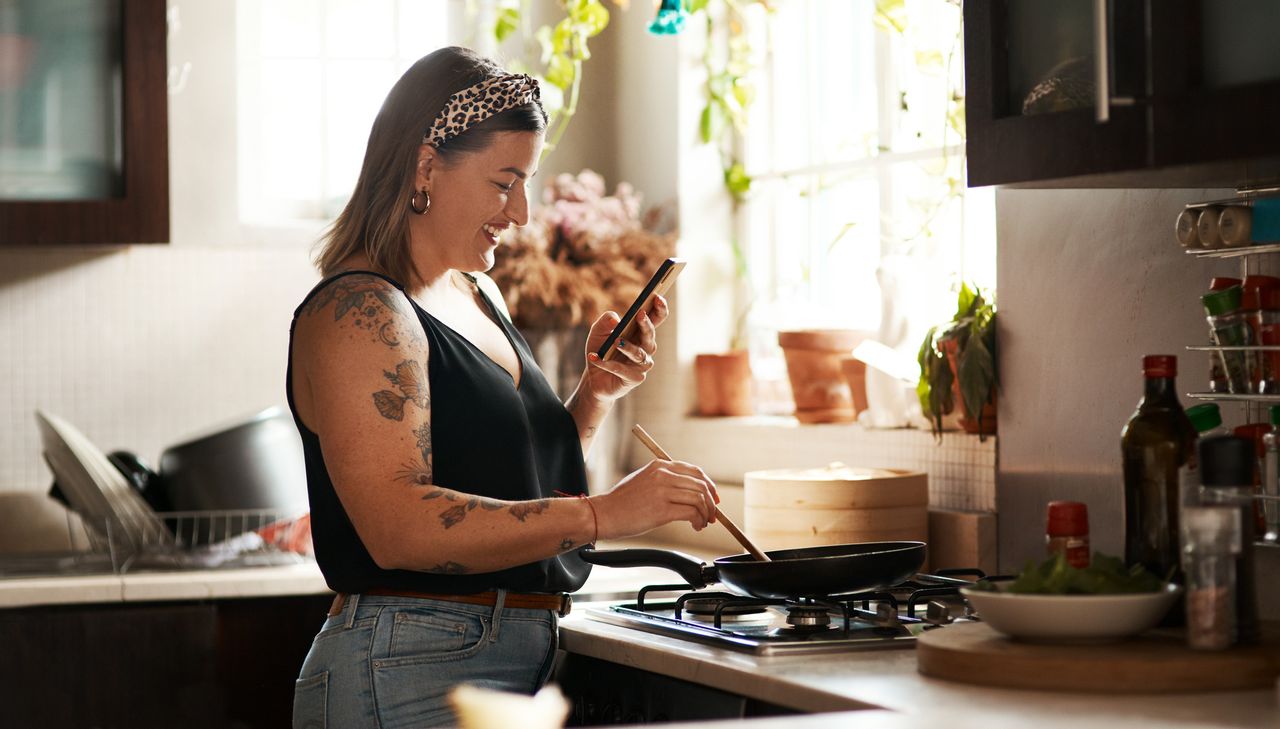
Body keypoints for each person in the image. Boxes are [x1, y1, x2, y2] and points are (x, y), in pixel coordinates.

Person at [286, 46, 719, 728]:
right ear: (426, 167)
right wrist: (603, 513)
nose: (521, 211)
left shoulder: (477, 292)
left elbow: (510, 480)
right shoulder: (360, 312)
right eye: (504, 181)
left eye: (529, 182)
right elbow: (399, 527)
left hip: (514, 657)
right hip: (407, 670)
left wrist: (594, 393)